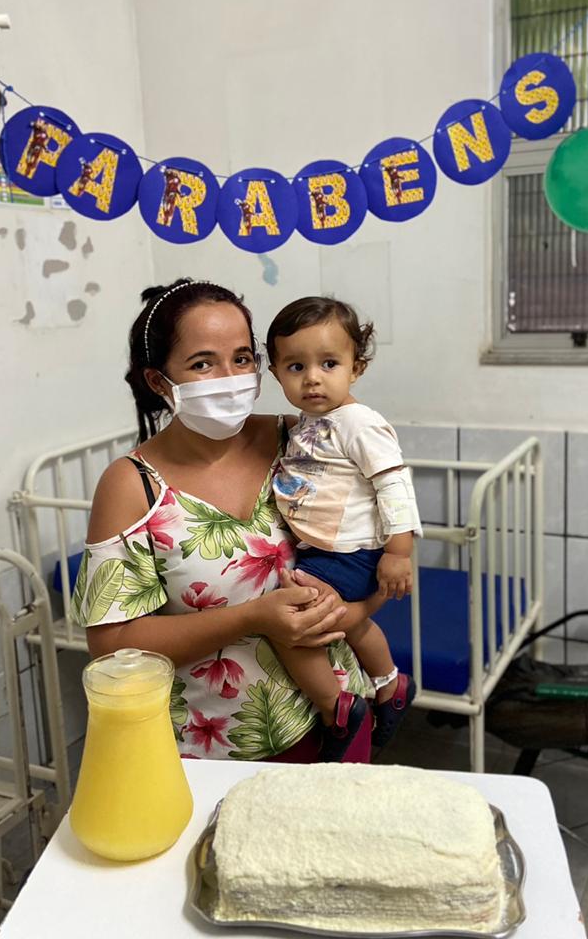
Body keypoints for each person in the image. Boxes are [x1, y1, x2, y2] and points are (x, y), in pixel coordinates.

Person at [69, 279, 383, 762]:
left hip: (339, 718)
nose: (230, 377)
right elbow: (111, 646)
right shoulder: (132, 486)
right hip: (217, 746)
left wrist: (352, 614)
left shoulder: (304, 442)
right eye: (202, 363)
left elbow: (388, 546)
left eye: (241, 358)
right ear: (159, 382)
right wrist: (252, 618)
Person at [265, 297, 421, 758]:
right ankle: (390, 684)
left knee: (292, 625)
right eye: (296, 366)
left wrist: (398, 553)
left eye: (329, 363)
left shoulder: (358, 423)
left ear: (357, 368)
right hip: (325, 549)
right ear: (276, 373)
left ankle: (338, 710)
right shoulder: (309, 423)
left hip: (350, 553)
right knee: (355, 626)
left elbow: (394, 486)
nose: (312, 377)